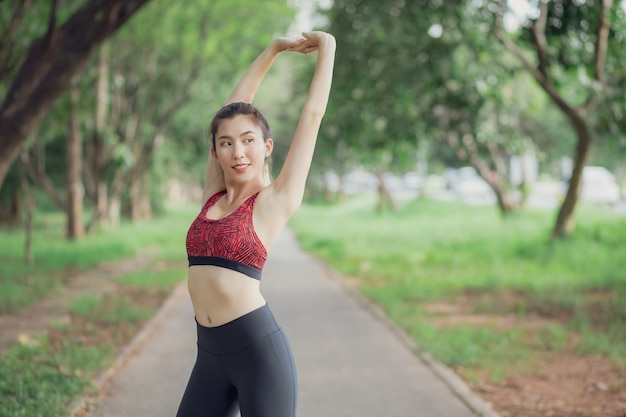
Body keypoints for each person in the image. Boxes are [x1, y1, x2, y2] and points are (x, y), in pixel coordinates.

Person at [176, 30, 336, 417]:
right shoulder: (213, 193)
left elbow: (312, 116)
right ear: (215, 152)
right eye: (226, 143)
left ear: (267, 147)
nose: (237, 151)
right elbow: (229, 109)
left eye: (248, 140)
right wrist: (273, 50)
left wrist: (327, 47)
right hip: (207, 354)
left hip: (258, 354)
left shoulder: (273, 201)